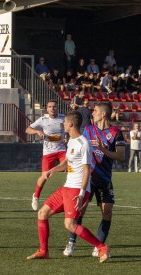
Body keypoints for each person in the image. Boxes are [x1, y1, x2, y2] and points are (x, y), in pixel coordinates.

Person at [26, 111, 110, 263]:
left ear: (70, 124)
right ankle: (43, 251)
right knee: (42, 213)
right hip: (67, 187)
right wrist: (51, 170)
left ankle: (101, 247)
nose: (62, 124)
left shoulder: (83, 143)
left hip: (77, 189)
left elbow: (86, 170)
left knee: (69, 224)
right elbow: (66, 163)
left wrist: (82, 192)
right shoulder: (71, 140)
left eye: (64, 122)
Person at [63, 102, 125, 257]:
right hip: (88, 178)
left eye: (96, 111)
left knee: (107, 212)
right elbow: (78, 146)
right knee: (79, 212)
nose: (93, 113)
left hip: (105, 179)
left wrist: (102, 149)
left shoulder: (116, 132)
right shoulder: (88, 130)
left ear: (103, 113)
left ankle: (98, 246)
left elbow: (121, 156)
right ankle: (71, 243)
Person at [25, 100, 66, 211]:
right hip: (48, 153)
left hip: (62, 150)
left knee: (71, 169)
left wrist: (68, 138)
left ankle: (69, 195)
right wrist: (37, 132)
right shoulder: (43, 120)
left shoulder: (63, 118)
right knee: (44, 176)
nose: (52, 108)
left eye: (54, 106)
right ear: (47, 109)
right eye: (50, 107)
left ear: (58, 108)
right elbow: (28, 130)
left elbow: (70, 129)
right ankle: (36, 196)